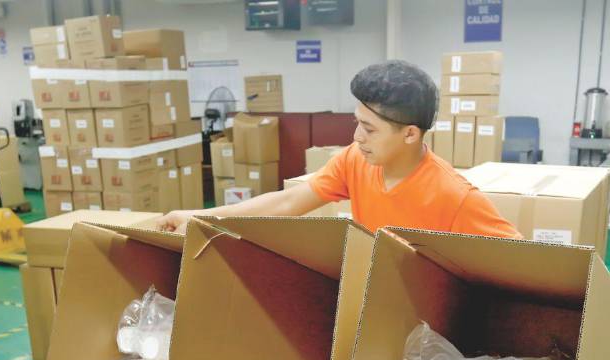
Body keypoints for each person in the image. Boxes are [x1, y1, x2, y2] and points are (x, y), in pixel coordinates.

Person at [158, 60, 519, 239]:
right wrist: (201, 217)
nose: (357, 136)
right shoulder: (354, 161)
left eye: (369, 128)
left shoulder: (453, 196)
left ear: (410, 134)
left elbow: (522, 257)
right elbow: (287, 203)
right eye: (357, 121)